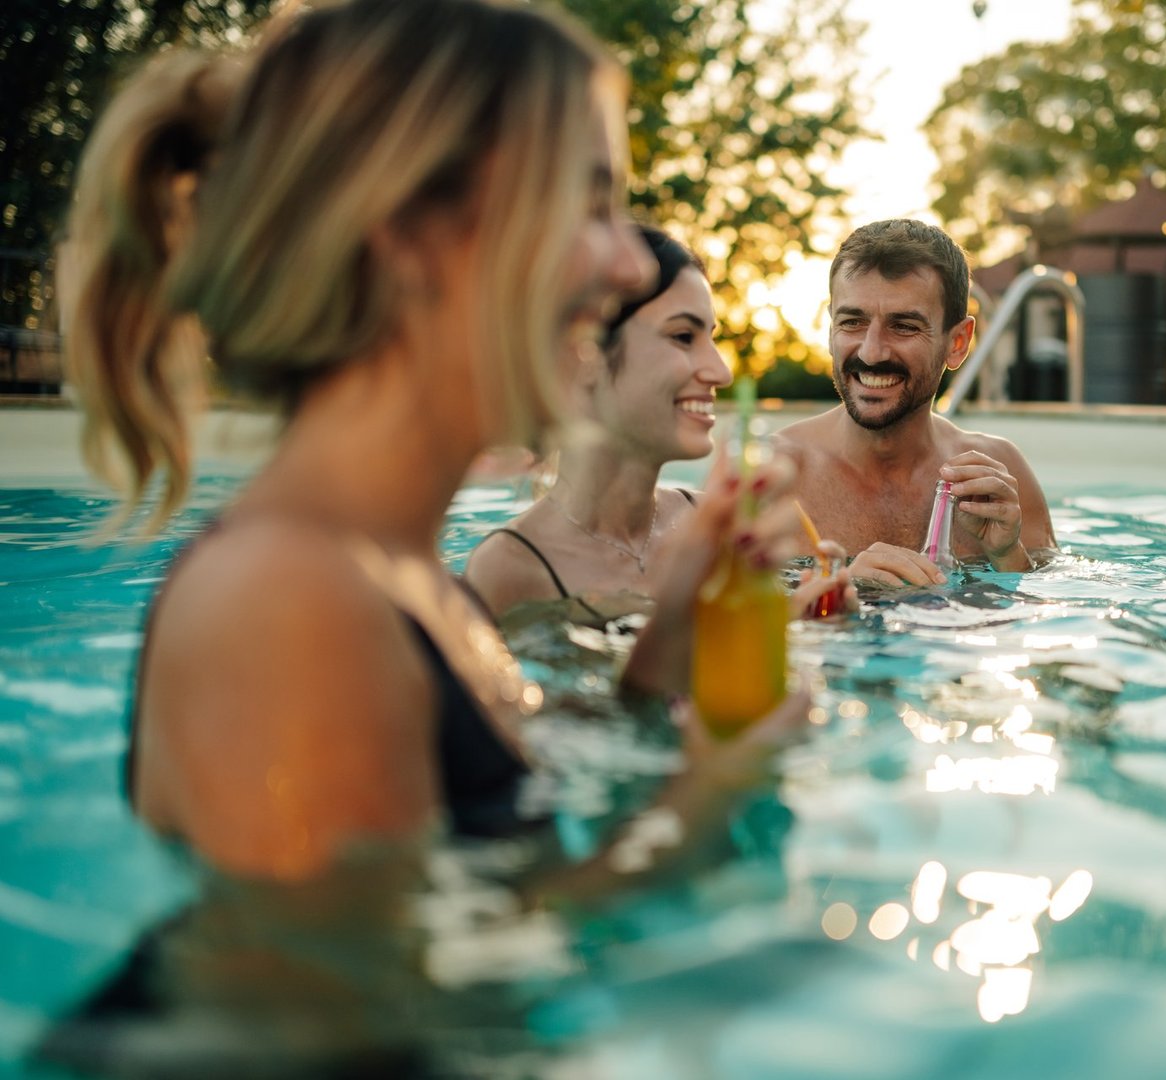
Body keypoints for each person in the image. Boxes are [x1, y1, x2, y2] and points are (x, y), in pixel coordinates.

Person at [59, 0, 809, 899]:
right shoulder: (281, 604)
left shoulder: (407, 583)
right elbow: (365, 985)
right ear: (411, 233)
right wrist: (711, 793)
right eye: (587, 205)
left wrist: (668, 642)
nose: (629, 267)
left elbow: (489, 897)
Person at [463, 224, 853, 623]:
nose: (720, 372)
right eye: (683, 336)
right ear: (585, 351)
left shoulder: (717, 532)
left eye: (711, 338)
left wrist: (813, 626)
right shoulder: (511, 570)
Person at [774, 218, 1057, 587]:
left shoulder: (999, 477)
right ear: (831, 331)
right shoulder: (772, 477)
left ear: (957, 343)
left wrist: (1008, 556)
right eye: (852, 322)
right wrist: (838, 593)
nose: (871, 352)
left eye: (904, 326)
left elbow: (1051, 605)